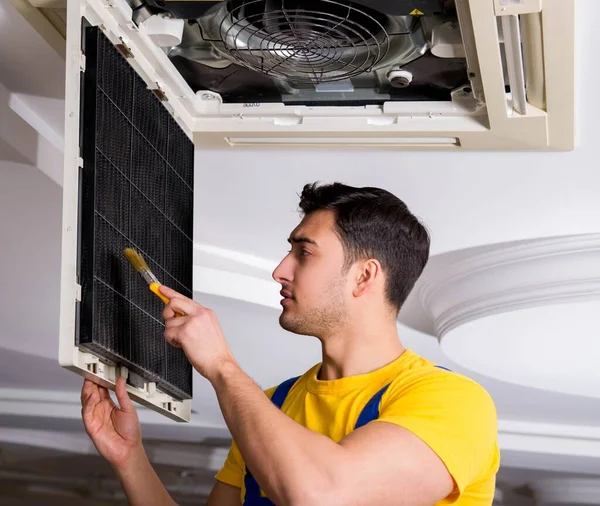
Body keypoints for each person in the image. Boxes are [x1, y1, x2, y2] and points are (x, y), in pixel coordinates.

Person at [81, 182, 500, 506]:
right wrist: (130, 459)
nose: (280, 271)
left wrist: (223, 367)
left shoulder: (453, 403)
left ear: (365, 277)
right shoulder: (271, 405)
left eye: (304, 252)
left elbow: (322, 496)